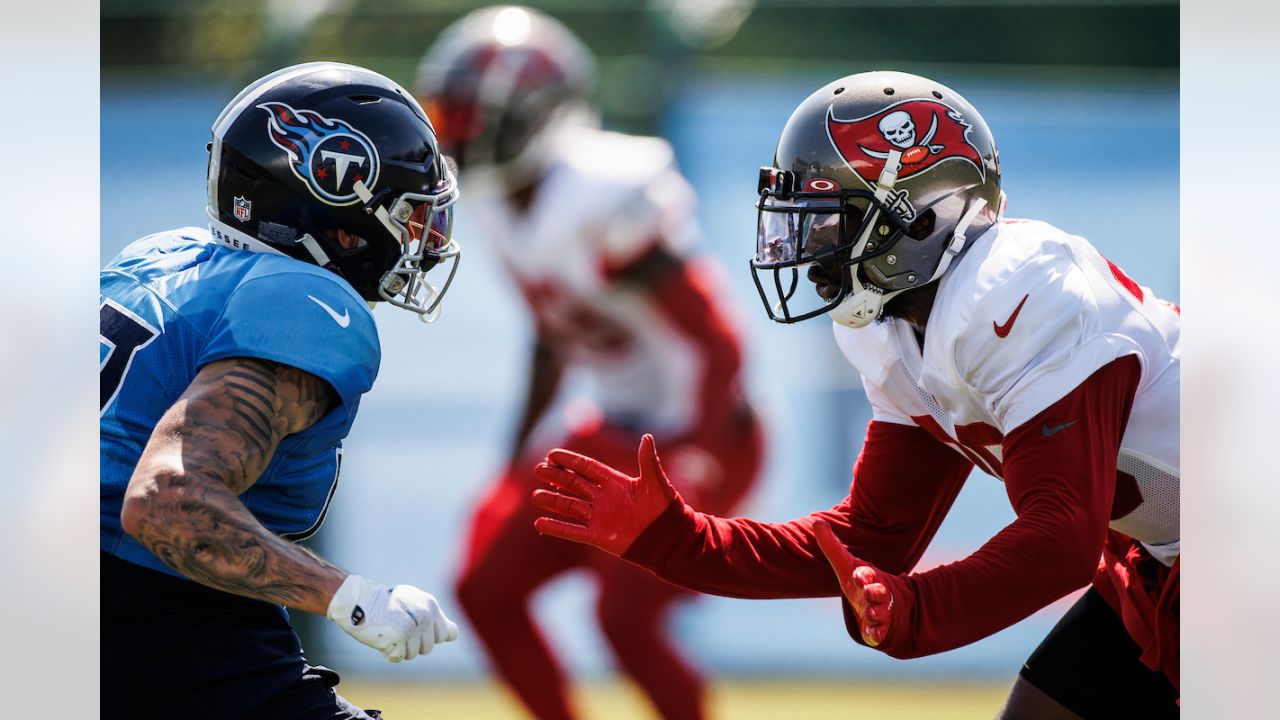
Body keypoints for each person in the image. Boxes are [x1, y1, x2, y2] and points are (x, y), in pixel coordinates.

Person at [533, 71, 1180, 719]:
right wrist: (680, 541)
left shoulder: (1017, 284)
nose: (807, 250)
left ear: (921, 214)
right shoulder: (892, 328)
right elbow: (870, 537)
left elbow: (1061, 537)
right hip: (1166, 557)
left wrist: (916, 610)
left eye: (829, 220)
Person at [413, 7, 763, 720]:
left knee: (625, 621)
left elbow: (717, 338)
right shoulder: (492, 200)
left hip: (703, 428)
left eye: (473, 119)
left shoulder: (604, 189)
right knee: (486, 589)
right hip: (609, 431)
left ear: (537, 115)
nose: (458, 137)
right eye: (451, 118)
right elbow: (551, 335)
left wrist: (699, 448)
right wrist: (515, 456)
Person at [100, 62, 464, 719]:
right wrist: (353, 597)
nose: (425, 239)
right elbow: (165, 503)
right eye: (410, 215)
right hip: (141, 611)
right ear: (340, 211)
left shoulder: (161, 257)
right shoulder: (306, 297)